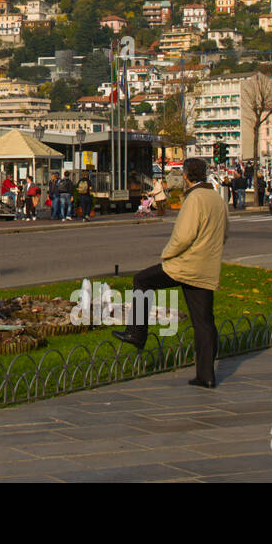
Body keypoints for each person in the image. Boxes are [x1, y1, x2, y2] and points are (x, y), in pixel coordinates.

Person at [113, 157, 227, 388]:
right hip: (206, 267)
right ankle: (206, 375)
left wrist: (167, 253)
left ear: (186, 176)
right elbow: (224, 234)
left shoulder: (194, 199)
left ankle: (137, 333)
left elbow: (183, 236)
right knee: (204, 322)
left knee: (142, 280)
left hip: (185, 265)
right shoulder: (217, 199)